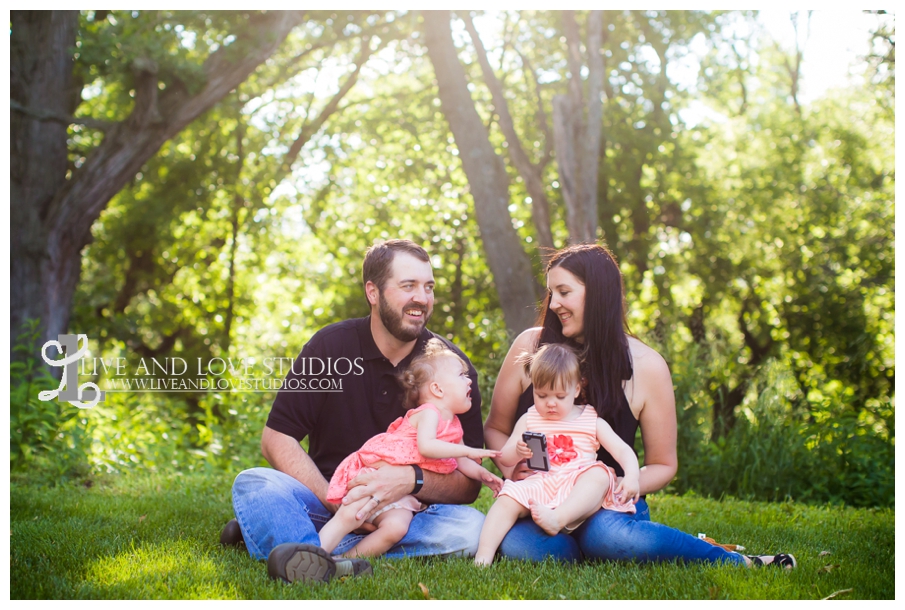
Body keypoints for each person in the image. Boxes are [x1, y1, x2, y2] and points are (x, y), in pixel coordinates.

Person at [484, 243, 796, 569]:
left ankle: (739, 561)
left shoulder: (647, 366)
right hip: (541, 495)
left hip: (606, 503)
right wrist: (511, 467)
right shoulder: (531, 347)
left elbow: (663, 464)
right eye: (552, 293)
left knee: (610, 538)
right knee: (524, 547)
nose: (555, 303)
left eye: (564, 292)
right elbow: (496, 428)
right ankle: (573, 544)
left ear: (600, 294)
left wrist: (620, 486)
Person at [222, 239, 490, 584]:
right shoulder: (330, 347)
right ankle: (320, 545)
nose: (422, 298)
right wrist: (333, 502)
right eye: (408, 286)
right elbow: (277, 438)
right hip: (328, 499)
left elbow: (468, 486)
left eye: (428, 287)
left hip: (405, 511)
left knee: (470, 529)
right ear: (373, 292)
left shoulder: (452, 368)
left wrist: (412, 479)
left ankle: (297, 544)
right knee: (256, 483)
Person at [319, 339, 502, 558]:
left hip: (400, 496)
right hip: (378, 475)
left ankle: (342, 561)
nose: (469, 380)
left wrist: (485, 475)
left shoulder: (454, 425)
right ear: (437, 388)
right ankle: (316, 551)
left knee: (396, 529)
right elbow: (427, 447)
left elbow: (462, 464)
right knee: (350, 515)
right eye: (461, 375)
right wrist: (467, 451)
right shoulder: (428, 413)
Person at [474, 343, 639, 566]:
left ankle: (558, 518)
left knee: (599, 475)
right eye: (542, 395)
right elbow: (504, 458)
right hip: (541, 481)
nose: (550, 404)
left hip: (578, 487)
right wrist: (517, 450)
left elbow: (622, 450)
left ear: (577, 390)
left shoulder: (591, 420)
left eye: (560, 396)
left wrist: (631, 476)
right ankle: (483, 556)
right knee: (506, 500)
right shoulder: (529, 419)